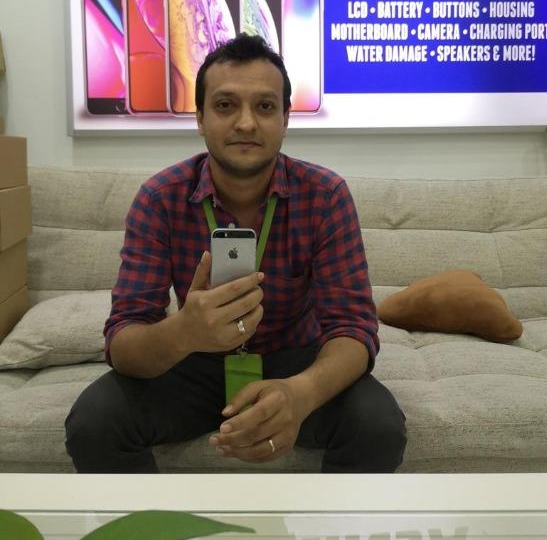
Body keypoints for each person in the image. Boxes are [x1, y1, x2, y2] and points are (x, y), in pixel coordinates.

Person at [65, 34, 406, 473]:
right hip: (189, 363)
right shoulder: (159, 199)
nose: (246, 123)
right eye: (225, 105)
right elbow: (123, 340)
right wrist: (184, 331)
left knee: (378, 425)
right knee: (94, 422)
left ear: (285, 119)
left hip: (295, 360)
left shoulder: (325, 196)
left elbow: (354, 328)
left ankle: (327, 519)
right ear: (200, 119)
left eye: (264, 106)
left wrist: (299, 394)